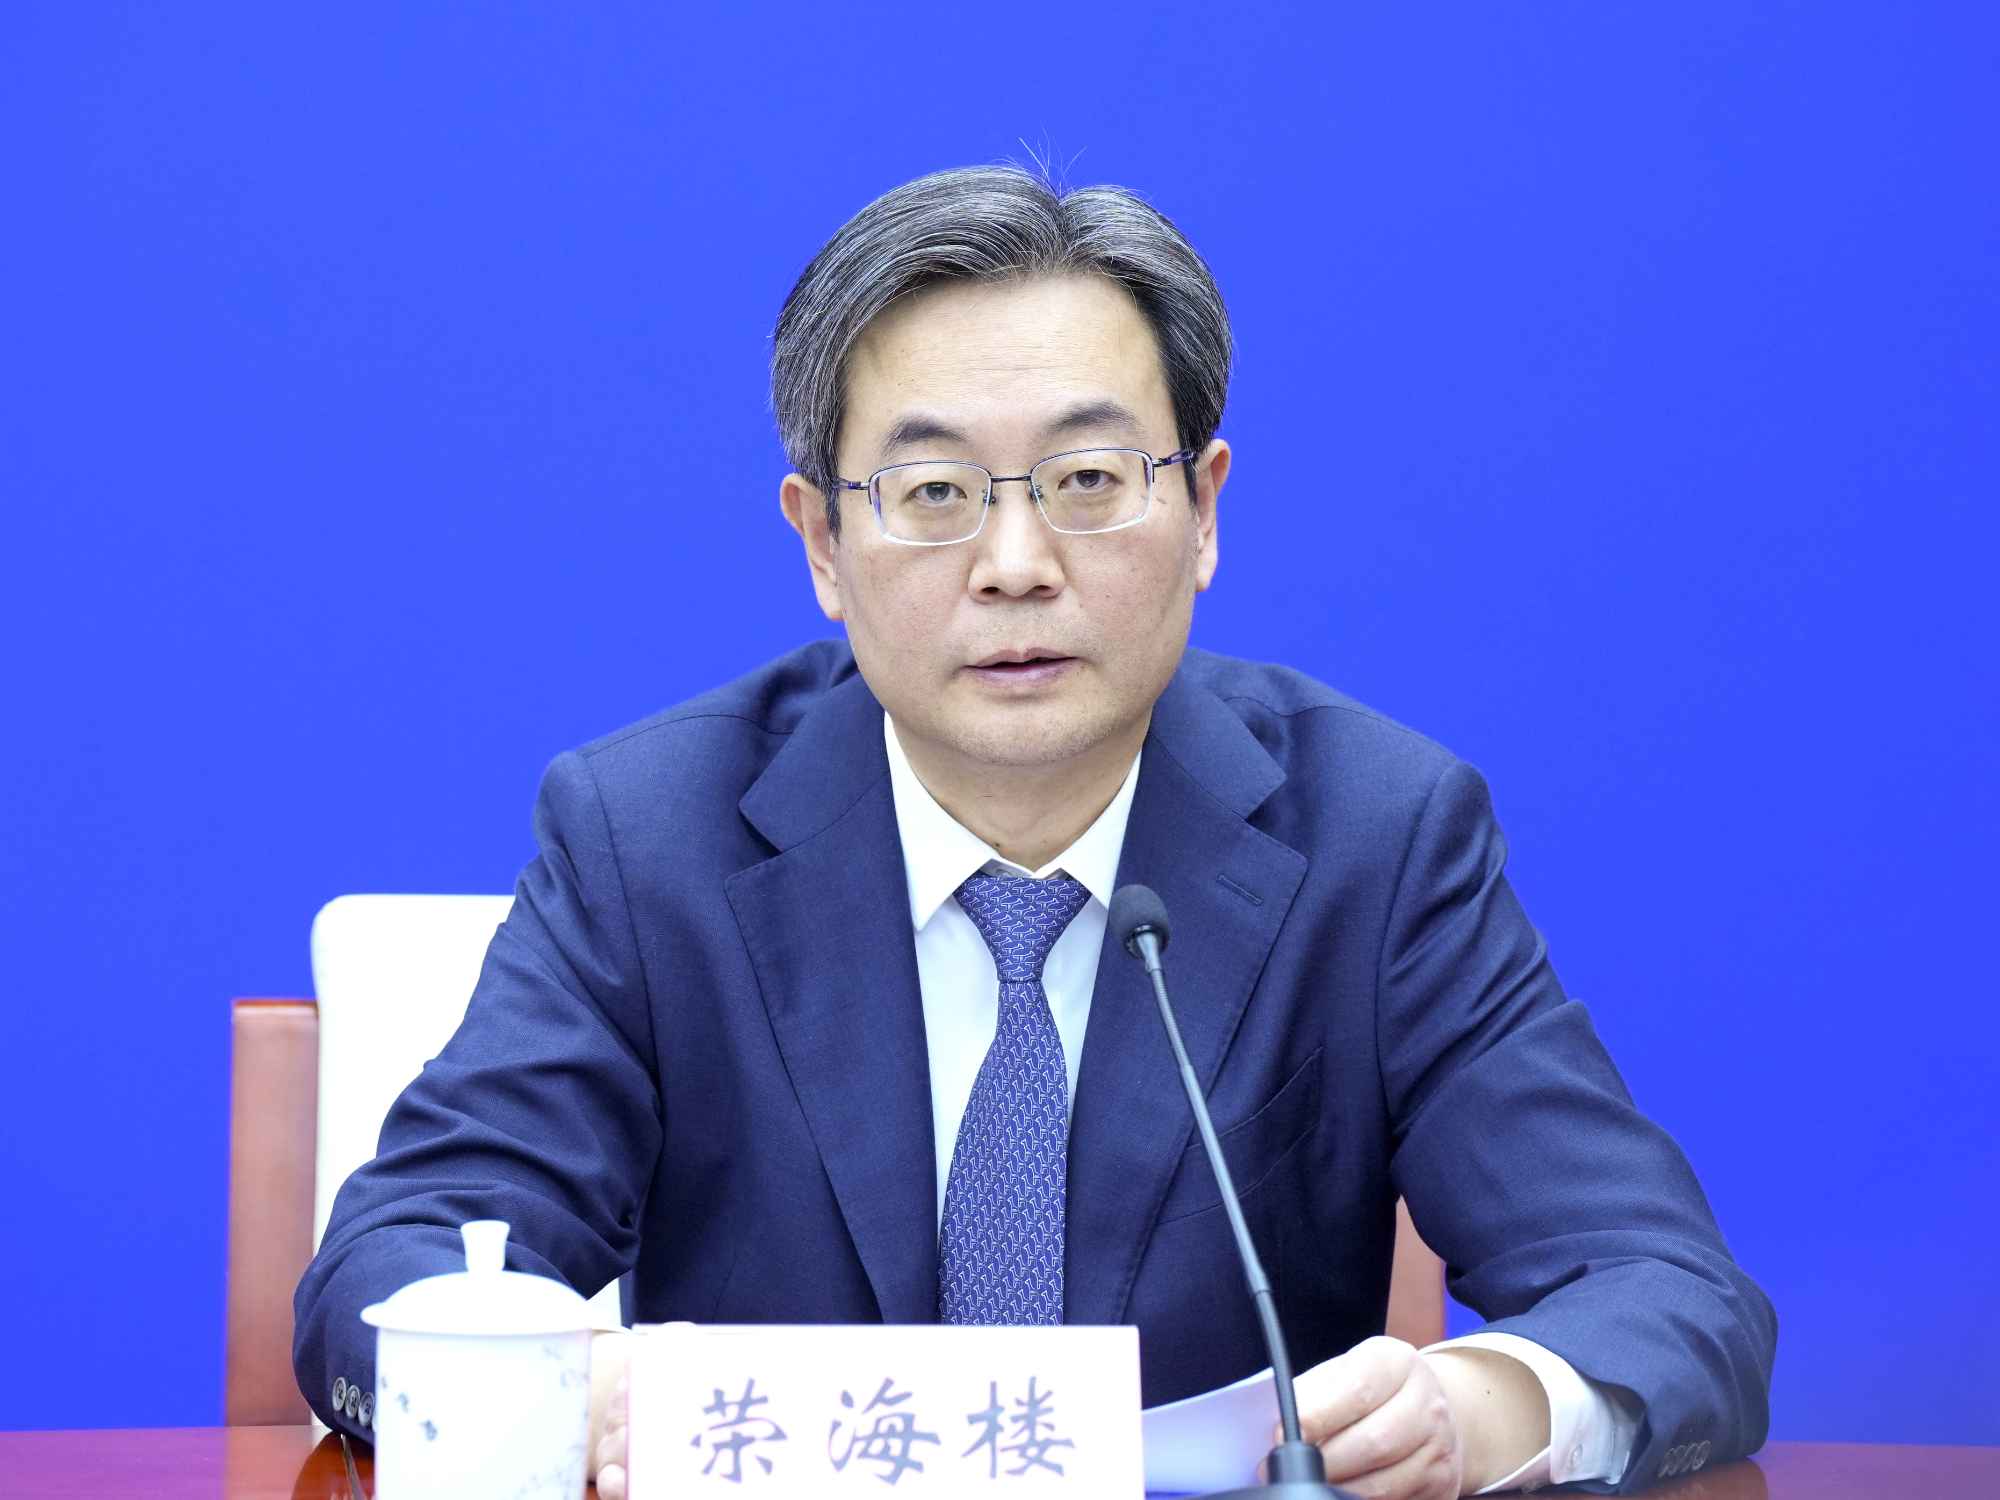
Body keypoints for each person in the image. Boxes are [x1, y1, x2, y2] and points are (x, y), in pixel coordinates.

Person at [295, 166, 1775, 1498]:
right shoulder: (650, 838)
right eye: (935, 492)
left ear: (1204, 511)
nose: (1015, 564)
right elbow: (389, 1262)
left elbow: (1668, 1292)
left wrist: (1484, 1407)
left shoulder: (1376, 841)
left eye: (1086, 483)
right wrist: (571, 1387)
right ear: (821, 543)